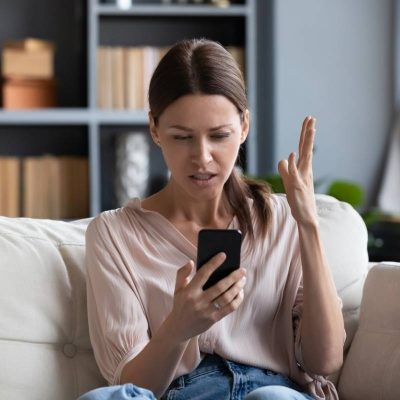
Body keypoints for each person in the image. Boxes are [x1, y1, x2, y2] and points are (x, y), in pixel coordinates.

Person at [79, 38, 345, 400]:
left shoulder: (284, 219)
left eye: (219, 136)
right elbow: (130, 386)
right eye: (182, 137)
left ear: (244, 127)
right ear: (155, 129)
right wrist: (178, 328)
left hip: (271, 390)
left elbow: (325, 360)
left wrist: (309, 226)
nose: (202, 157)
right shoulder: (113, 234)